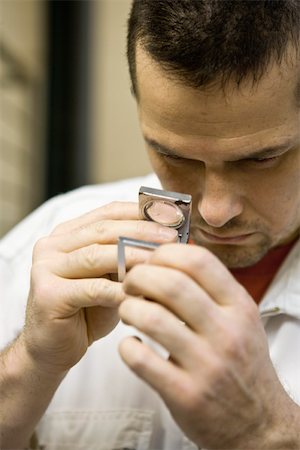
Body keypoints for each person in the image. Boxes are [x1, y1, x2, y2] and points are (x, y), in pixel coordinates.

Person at [1, 0, 300, 448]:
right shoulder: (44, 243)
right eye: (174, 155)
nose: (215, 211)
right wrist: (27, 365)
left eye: (261, 159)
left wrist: (270, 433)